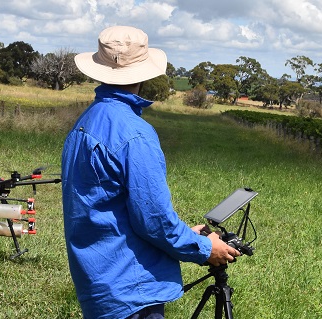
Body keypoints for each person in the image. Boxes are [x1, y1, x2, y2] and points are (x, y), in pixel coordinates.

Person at [61, 25, 240, 319]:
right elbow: (154, 221)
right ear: (144, 74)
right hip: (131, 292)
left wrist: (187, 234)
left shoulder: (85, 123)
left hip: (97, 283)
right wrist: (205, 249)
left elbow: (108, 207)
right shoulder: (135, 134)